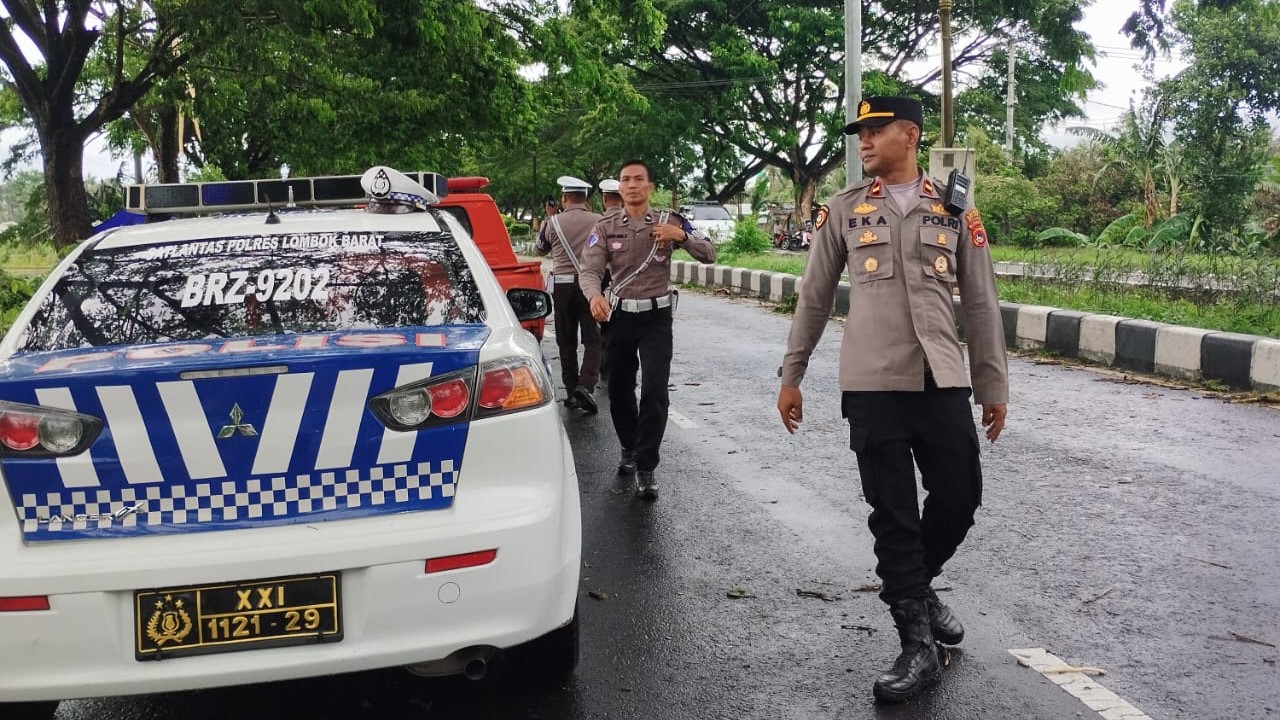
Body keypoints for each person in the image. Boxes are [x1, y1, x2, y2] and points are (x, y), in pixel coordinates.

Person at [775, 96, 1008, 703]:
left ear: (910, 134)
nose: (864, 142)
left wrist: (992, 385)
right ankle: (916, 645)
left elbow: (981, 303)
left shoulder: (955, 209)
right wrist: (792, 374)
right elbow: (815, 297)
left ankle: (919, 588)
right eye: (861, 133)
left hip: (942, 380)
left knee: (960, 495)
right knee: (894, 513)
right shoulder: (845, 210)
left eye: (876, 131)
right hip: (873, 384)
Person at [580, 160, 717, 500]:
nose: (632, 185)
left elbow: (709, 252)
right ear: (619, 187)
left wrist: (681, 237)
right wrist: (594, 295)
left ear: (650, 187)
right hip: (619, 318)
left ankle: (646, 466)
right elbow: (590, 269)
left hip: (657, 319)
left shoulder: (670, 220)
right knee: (621, 390)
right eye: (625, 180)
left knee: (655, 391)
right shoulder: (606, 224)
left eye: (639, 179)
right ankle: (629, 446)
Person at [534, 176, 604, 414]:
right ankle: (586, 385)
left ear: (564, 198)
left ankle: (572, 387)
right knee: (593, 339)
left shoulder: (552, 222)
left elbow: (540, 248)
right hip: (590, 285)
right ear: (586, 198)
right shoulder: (599, 221)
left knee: (566, 339)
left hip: (562, 287)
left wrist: (548, 216)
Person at [596, 178, 624, 381]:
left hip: (604, 278)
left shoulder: (598, 224)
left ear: (605, 199)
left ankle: (606, 366)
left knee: (605, 323)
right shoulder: (636, 221)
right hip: (627, 279)